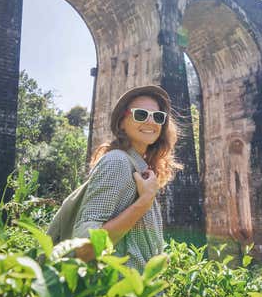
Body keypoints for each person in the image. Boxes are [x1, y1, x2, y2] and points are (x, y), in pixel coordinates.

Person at [72, 85, 181, 269]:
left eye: (158, 117)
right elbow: (84, 250)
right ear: (121, 122)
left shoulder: (140, 169)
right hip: (118, 294)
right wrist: (143, 203)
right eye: (140, 114)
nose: (150, 121)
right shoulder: (117, 162)